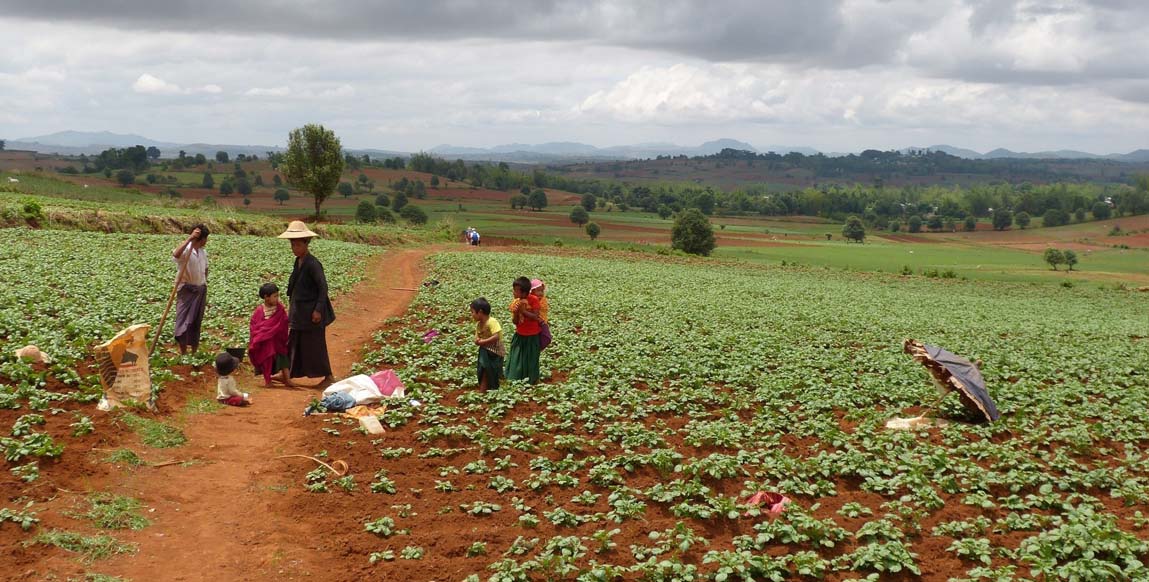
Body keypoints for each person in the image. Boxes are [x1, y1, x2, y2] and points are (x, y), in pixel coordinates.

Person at [278, 221, 335, 385]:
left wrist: (318, 310)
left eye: (297, 244)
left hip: (312, 314)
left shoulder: (313, 264)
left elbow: (323, 288)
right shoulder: (299, 262)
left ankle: (328, 376)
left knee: (316, 345)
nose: (294, 248)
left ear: (306, 243)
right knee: (293, 343)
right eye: (292, 245)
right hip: (300, 312)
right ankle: (286, 373)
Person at [172, 224, 209, 354]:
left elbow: (205, 269)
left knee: (196, 321)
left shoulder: (203, 252)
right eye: (206, 238)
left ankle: (194, 351)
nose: (207, 241)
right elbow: (176, 255)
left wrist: (203, 283)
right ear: (202, 239)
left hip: (200, 290)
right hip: (186, 290)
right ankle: (183, 352)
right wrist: (189, 239)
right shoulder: (186, 250)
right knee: (183, 320)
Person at [249, 282, 293, 387]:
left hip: (278, 339)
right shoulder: (259, 311)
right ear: (266, 297)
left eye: (277, 296)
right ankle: (267, 381)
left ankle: (287, 379)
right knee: (267, 357)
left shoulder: (279, 308)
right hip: (265, 341)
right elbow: (255, 326)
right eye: (275, 296)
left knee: (283, 356)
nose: (277, 298)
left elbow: (284, 320)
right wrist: (263, 335)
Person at [505, 276, 542, 384]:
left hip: (532, 335)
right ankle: (515, 377)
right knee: (517, 356)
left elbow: (536, 316)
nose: (514, 293)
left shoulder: (533, 300)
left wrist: (523, 311)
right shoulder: (516, 302)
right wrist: (516, 312)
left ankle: (531, 379)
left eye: (516, 291)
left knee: (531, 358)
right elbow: (515, 322)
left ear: (524, 293)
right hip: (520, 334)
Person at [471, 297, 505, 390]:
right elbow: (476, 338)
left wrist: (483, 342)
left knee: (492, 370)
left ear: (480, 312)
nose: (472, 315)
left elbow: (496, 336)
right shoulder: (479, 324)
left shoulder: (492, 322)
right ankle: (484, 390)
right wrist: (477, 341)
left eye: (473, 312)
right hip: (485, 350)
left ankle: (490, 389)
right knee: (484, 369)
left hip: (495, 351)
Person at [531, 279, 551, 350]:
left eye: (542, 291)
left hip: (542, 323)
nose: (541, 293)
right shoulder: (528, 301)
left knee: (547, 338)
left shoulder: (543, 300)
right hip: (533, 325)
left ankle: (537, 349)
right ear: (532, 291)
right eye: (538, 291)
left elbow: (543, 312)